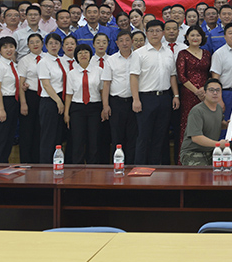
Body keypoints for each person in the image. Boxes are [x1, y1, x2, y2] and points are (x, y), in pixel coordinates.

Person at [131, 20, 179, 165]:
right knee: (144, 135)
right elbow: (134, 77)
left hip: (164, 97)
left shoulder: (168, 52)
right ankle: (140, 167)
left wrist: (176, 95)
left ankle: (156, 168)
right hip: (146, 98)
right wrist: (136, 99)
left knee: (161, 135)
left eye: (158, 31)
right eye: (151, 31)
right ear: (146, 33)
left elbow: (172, 76)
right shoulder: (139, 53)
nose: (154, 34)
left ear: (163, 33)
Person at [65, 44, 111, 164]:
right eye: (80, 53)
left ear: (90, 55)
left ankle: (93, 166)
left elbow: (102, 91)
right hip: (77, 108)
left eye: (85, 52)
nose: (83, 55)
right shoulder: (71, 73)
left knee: (94, 139)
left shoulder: (99, 71)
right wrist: (66, 113)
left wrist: (104, 107)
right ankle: (77, 167)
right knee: (78, 139)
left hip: (94, 108)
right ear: (76, 56)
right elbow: (69, 95)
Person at [180, 79, 232, 166]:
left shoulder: (218, 108)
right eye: (211, 90)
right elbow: (196, 138)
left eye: (218, 90)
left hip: (211, 150)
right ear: (205, 92)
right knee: (203, 172)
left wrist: (227, 125)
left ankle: (223, 172)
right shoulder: (197, 111)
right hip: (193, 152)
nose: (215, 93)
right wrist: (218, 144)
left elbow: (218, 123)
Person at [176, 25, 212, 154]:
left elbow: (210, 73)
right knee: (188, 123)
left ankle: (205, 155)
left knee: (205, 123)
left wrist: (204, 89)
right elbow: (181, 76)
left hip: (206, 94)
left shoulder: (207, 53)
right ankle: (186, 157)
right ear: (187, 37)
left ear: (202, 37)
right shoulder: (183, 54)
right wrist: (196, 91)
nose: (195, 38)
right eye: (192, 35)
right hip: (189, 94)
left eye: (198, 35)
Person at [0, 35, 23, 163]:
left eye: (11, 46)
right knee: (0, 138)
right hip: (2, 102)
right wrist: (1, 109)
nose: (9, 50)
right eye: (5, 47)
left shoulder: (13, 65)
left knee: (9, 137)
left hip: (13, 102)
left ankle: (3, 163)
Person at [107, 29, 138, 164]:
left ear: (132, 41)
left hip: (134, 101)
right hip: (116, 102)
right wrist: (105, 105)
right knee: (117, 136)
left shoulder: (138, 57)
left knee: (133, 136)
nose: (124, 43)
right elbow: (106, 84)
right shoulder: (111, 60)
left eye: (127, 40)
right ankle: (117, 165)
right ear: (116, 43)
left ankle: (130, 166)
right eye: (121, 41)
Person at [37, 33, 68, 163]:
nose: (54, 46)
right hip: (50, 101)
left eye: (56, 43)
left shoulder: (62, 60)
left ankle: (57, 164)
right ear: (45, 45)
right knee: (48, 136)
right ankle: (45, 166)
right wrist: (58, 101)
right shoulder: (43, 62)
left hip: (62, 99)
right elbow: (46, 84)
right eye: (50, 43)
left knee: (58, 136)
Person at [16, 33, 44, 163]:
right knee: (27, 131)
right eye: (31, 42)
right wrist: (23, 103)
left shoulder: (48, 58)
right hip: (30, 96)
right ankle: (26, 162)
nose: (35, 44)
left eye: (37, 42)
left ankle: (38, 161)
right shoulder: (24, 60)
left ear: (42, 44)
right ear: (28, 45)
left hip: (44, 97)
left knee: (40, 130)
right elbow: (21, 84)